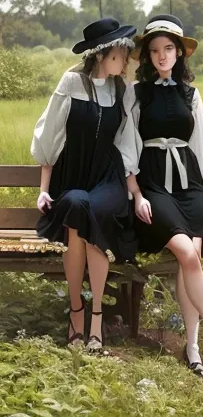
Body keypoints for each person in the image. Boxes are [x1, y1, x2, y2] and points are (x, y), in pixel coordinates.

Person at [119, 14, 203, 379]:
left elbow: (201, 149)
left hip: (190, 185)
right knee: (188, 254)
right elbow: (127, 148)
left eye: (168, 49)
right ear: (147, 56)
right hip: (154, 185)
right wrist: (137, 194)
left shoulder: (191, 93)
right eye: (155, 50)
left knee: (191, 261)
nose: (161, 56)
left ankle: (192, 349)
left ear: (178, 54)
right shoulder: (135, 93)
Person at [31, 18, 138, 351]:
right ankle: (76, 310)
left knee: (92, 209)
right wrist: (44, 188)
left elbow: (127, 142)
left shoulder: (122, 89)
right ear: (103, 54)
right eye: (121, 52)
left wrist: (133, 189)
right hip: (73, 176)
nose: (126, 57)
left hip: (107, 179)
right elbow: (50, 136)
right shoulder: (71, 82)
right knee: (77, 205)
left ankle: (96, 317)